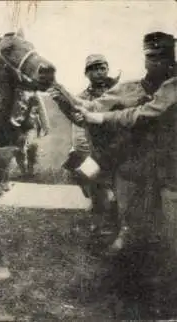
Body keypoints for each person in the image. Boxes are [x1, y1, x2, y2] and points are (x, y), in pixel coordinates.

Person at [54, 31, 176, 253]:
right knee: (93, 179)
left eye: (163, 55)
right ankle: (108, 227)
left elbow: (147, 112)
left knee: (158, 213)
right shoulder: (127, 88)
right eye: (152, 56)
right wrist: (63, 97)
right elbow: (88, 111)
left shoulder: (171, 87)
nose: (157, 62)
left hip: (166, 161)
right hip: (124, 155)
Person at [70, 54, 120, 234]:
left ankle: (117, 222)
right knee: (89, 178)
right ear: (87, 73)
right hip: (95, 149)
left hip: (120, 146)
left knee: (119, 186)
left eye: (102, 68)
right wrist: (83, 150)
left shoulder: (118, 91)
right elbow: (78, 126)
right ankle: (99, 221)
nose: (99, 72)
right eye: (94, 69)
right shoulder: (82, 97)